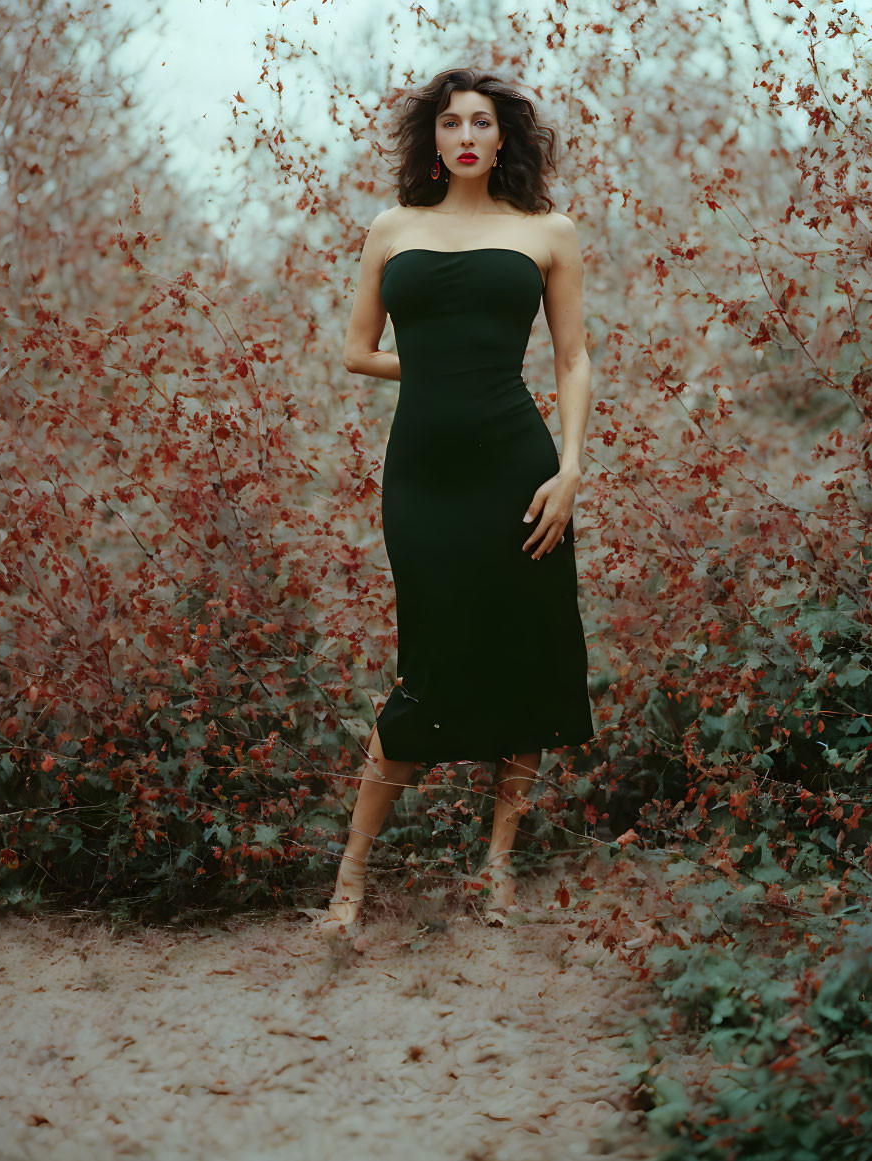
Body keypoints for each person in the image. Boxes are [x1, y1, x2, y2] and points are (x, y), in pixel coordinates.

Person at [313, 67, 594, 934]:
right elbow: (359, 351)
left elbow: (573, 359)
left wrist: (572, 469)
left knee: (527, 653)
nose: (465, 134)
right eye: (449, 123)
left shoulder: (548, 231)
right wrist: (438, 369)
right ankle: (350, 879)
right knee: (426, 663)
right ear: (431, 140)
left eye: (481, 122)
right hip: (424, 477)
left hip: (519, 470)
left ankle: (498, 864)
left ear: (502, 137)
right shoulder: (392, 228)